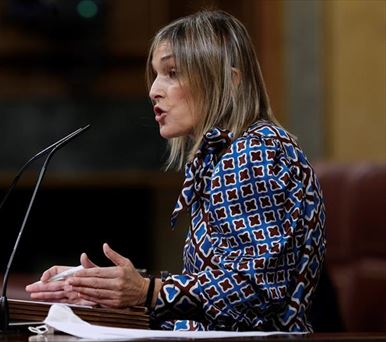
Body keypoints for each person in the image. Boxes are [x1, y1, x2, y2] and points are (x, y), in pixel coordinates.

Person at [26, 9, 326, 332]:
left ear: (229, 80)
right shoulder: (231, 152)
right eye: (156, 74)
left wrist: (146, 292)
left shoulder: (254, 152)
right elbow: (217, 288)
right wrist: (110, 289)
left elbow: (254, 290)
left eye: (172, 72)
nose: (154, 89)